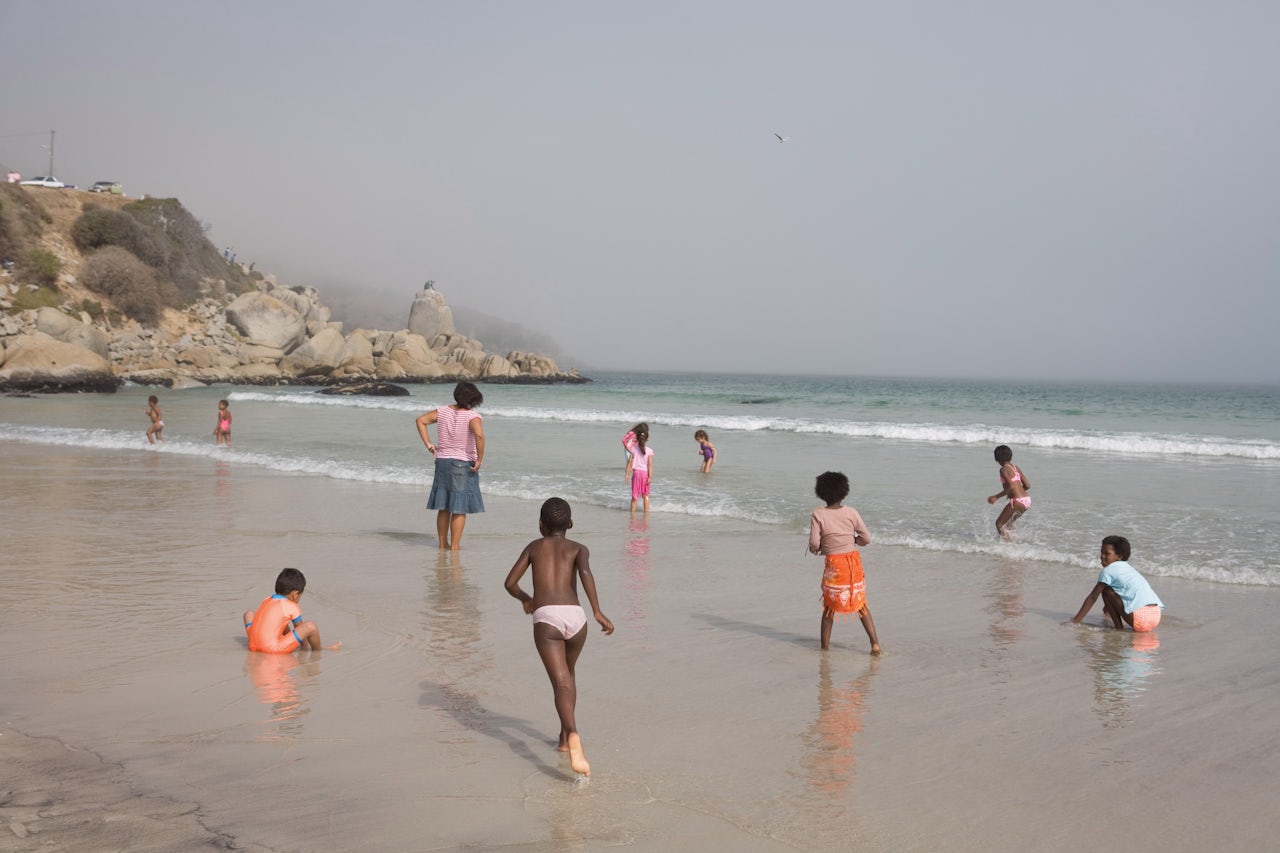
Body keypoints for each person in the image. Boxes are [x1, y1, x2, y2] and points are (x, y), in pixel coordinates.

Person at [503, 498, 614, 777]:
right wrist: (598, 612)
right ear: (571, 524)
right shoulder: (579, 549)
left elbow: (509, 583)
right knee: (569, 675)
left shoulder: (534, 547)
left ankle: (574, 736)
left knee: (560, 681)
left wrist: (526, 599)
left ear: (541, 525)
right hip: (577, 618)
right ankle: (564, 740)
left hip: (548, 619)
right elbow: (586, 574)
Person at [809, 471, 880, 654]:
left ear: (821, 493)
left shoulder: (818, 514)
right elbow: (866, 538)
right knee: (861, 604)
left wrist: (816, 549)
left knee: (829, 608)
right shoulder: (851, 512)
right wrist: (854, 541)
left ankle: (825, 648)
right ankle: (874, 644)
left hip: (834, 565)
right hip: (852, 564)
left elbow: (814, 543)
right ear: (844, 492)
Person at [416, 381, 486, 550]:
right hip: (461, 463)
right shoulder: (472, 416)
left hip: (442, 461)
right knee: (459, 507)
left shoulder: (443, 411)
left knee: (444, 506)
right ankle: (454, 546)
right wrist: (479, 459)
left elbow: (420, 420)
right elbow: (479, 436)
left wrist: (429, 445)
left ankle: (442, 544)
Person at [1070, 535, 1164, 632]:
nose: (1102, 556)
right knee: (1113, 589)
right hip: (1156, 617)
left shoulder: (1108, 571)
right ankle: (1107, 613)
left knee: (1106, 590)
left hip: (1141, 621)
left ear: (1119, 556)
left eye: (1107, 553)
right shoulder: (1129, 570)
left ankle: (1118, 628)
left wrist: (1075, 621)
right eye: (1101, 552)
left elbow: (1092, 597)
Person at [242, 568, 339, 652]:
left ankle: (261, 640)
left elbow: (281, 623)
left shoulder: (268, 599)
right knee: (310, 626)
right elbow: (301, 631)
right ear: (295, 594)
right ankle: (318, 651)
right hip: (271, 649)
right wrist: (304, 646)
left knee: (249, 613)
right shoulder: (292, 606)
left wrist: (288, 637)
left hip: (252, 644)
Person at [986, 445, 1031, 540]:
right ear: (1011, 456)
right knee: (1008, 524)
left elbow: (1011, 486)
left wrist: (996, 497)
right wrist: (1015, 493)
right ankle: (1014, 542)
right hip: (1027, 500)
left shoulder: (1003, 469)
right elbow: (1027, 485)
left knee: (999, 524)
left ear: (997, 458)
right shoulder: (1015, 467)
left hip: (1018, 501)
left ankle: (1007, 545)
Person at [624, 424, 653, 515]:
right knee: (646, 495)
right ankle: (646, 514)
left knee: (634, 497)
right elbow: (650, 465)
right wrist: (650, 476)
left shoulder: (633, 449)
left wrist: (627, 474)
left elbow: (629, 462)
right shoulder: (649, 450)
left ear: (637, 437)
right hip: (645, 474)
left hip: (636, 474)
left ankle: (632, 514)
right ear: (647, 439)